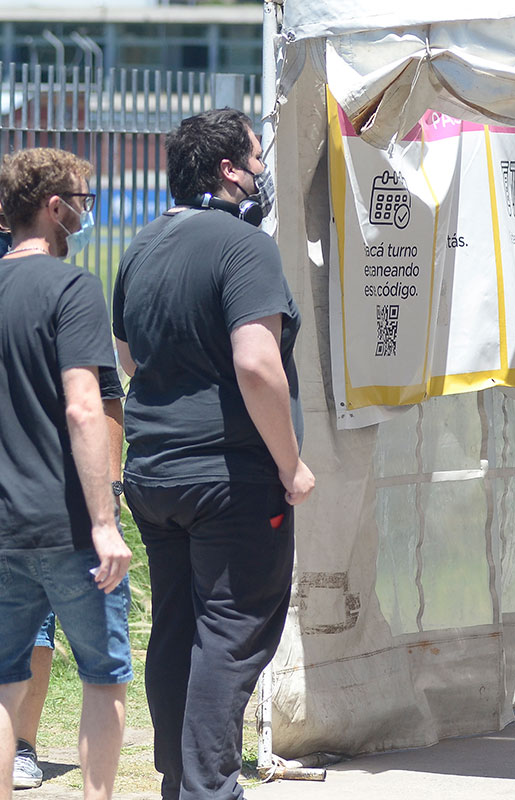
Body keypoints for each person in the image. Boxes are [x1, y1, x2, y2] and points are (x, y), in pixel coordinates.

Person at [112, 108, 315, 800]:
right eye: (257, 161)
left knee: (175, 627)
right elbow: (258, 365)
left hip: (154, 471)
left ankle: (179, 780)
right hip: (230, 475)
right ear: (228, 170)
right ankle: (207, 789)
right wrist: (291, 463)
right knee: (230, 633)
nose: (262, 174)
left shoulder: (140, 247)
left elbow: (129, 356)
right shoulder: (242, 245)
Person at [0, 147, 133, 800]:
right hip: (70, 524)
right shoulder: (71, 287)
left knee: (2, 680)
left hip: (2, 525)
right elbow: (86, 405)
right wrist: (105, 522)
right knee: (104, 675)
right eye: (83, 199)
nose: (87, 210)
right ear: (54, 207)